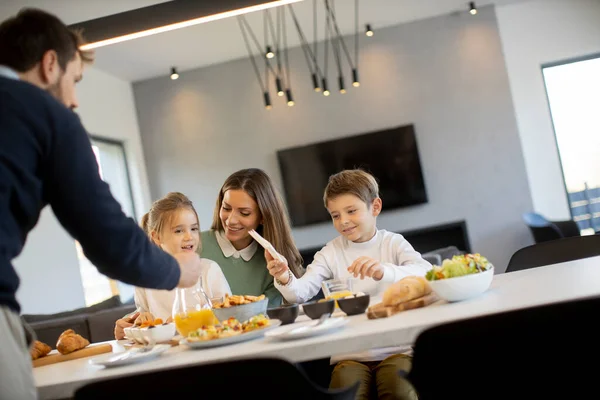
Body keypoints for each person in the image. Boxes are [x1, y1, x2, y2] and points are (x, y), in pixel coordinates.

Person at [0, 9, 202, 399]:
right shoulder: (48, 115)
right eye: (74, 81)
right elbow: (111, 243)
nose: (73, 100)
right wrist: (178, 270)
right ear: (49, 64)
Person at [268, 169, 432, 400]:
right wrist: (284, 276)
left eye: (351, 211)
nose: (343, 221)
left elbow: (428, 272)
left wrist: (384, 270)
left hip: (397, 348)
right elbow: (300, 294)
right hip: (349, 354)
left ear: (375, 207)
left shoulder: (393, 243)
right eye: (335, 215)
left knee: (400, 392)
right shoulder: (330, 252)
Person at [114, 192, 231, 339]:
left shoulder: (209, 270)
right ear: (156, 237)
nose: (189, 237)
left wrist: (187, 323)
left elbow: (229, 316)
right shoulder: (145, 281)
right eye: (179, 231)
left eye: (194, 229)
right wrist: (133, 326)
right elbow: (142, 317)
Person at [200, 168, 304, 308]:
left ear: (262, 217)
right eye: (226, 208)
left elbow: (266, 316)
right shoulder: (195, 246)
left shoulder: (273, 264)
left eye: (244, 213)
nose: (231, 220)